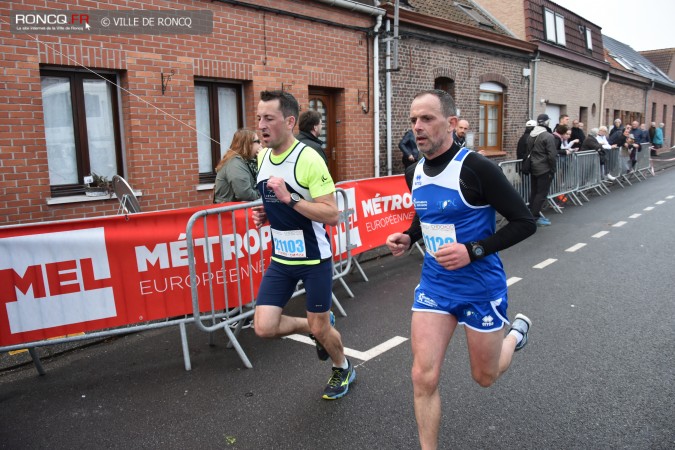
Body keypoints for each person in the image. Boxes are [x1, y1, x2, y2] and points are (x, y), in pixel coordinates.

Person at [385, 90, 536, 450]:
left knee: (485, 376)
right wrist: (409, 236)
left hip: (479, 288)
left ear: (451, 123)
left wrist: (473, 250)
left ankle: (514, 336)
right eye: (413, 119)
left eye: (427, 118)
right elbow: (426, 216)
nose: (417, 127)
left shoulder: (477, 169)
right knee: (422, 376)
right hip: (435, 286)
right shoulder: (413, 172)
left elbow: (524, 222)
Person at [251, 90, 355, 400]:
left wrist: (290, 199)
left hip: (313, 260)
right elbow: (279, 202)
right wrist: (268, 213)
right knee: (264, 327)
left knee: (322, 328)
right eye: (259, 118)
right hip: (282, 259)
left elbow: (331, 214)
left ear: (289, 122)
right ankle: (312, 327)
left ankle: (343, 367)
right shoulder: (262, 157)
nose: (261, 125)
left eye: (269, 118)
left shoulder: (308, 158)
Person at [213, 129, 262, 203]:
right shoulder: (235, 163)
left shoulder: (250, 162)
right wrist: (263, 194)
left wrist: (263, 159)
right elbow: (245, 194)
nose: (261, 144)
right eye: (258, 141)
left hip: (237, 208)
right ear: (247, 144)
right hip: (228, 209)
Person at [528, 114, 558, 226]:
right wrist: (553, 169)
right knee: (541, 194)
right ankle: (534, 217)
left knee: (534, 192)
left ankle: (531, 215)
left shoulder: (531, 134)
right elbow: (552, 155)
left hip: (533, 166)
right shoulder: (548, 136)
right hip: (544, 168)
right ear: (546, 122)